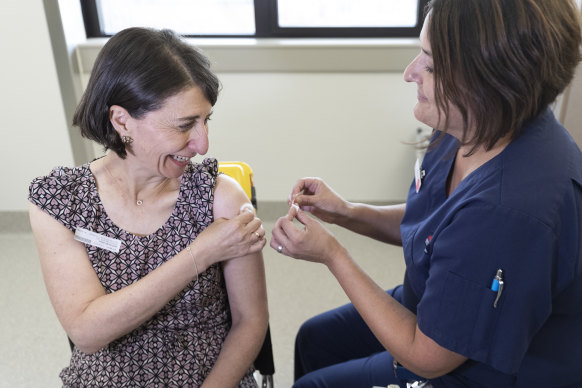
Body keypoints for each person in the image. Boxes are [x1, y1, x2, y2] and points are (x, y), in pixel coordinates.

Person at [270, 0, 582, 387]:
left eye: (431, 65)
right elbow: (439, 226)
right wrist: (347, 212)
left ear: (492, 81)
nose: (410, 73)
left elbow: (427, 357)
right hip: (436, 300)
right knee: (314, 339)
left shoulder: (509, 213)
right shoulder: (473, 123)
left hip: (478, 367)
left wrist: (332, 254)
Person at [28, 27, 268, 387]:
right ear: (122, 120)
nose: (202, 144)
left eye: (206, 120)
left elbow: (251, 320)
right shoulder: (61, 203)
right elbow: (88, 333)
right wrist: (199, 254)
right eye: (185, 125)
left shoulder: (221, 198)